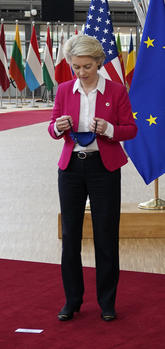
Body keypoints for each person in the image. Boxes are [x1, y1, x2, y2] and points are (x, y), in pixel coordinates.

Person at [48, 34, 137, 322]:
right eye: (76, 67)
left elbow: (131, 129)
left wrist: (109, 129)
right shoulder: (63, 90)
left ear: (98, 62)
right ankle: (71, 301)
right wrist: (57, 127)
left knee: (106, 237)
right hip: (71, 169)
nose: (82, 72)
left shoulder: (116, 91)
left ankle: (107, 303)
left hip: (105, 169)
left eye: (87, 66)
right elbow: (52, 127)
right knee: (71, 236)